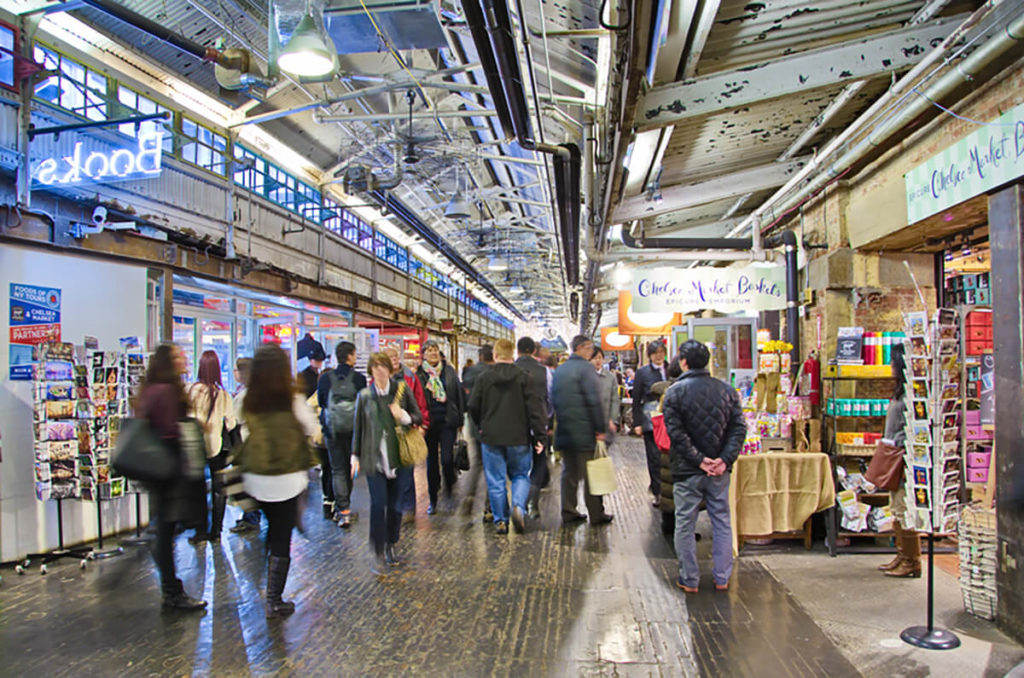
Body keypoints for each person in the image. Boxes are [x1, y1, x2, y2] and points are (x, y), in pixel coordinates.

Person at [236, 344, 316, 617]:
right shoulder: (291, 398)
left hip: (256, 476)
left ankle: (261, 570)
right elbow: (310, 426)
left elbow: (242, 426)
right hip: (287, 478)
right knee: (282, 534)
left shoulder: (249, 398)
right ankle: (273, 598)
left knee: (271, 528)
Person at [662, 340, 746, 593]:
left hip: (687, 470)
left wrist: (698, 459)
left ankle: (690, 580)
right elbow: (738, 428)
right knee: (721, 520)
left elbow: (676, 433)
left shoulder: (674, 392)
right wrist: (724, 459)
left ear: (684, 362)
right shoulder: (727, 390)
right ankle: (722, 577)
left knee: (685, 523)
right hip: (719, 471)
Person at [135, 344, 206, 610]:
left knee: (164, 528)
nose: (184, 359)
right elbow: (168, 431)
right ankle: (172, 591)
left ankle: (171, 588)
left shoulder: (151, 389)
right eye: (178, 356)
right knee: (165, 530)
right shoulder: (165, 391)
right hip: (167, 467)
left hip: (157, 469)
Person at [352, 352, 423, 574]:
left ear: (390, 370)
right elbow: (359, 427)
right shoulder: (364, 396)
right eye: (376, 367)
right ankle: (378, 548)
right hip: (375, 459)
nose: (380, 370)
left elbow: (418, 416)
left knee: (395, 505)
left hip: (400, 457)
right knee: (378, 503)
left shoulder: (401, 390)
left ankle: (392, 543)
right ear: (371, 371)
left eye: (384, 366)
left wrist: (403, 416)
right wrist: (355, 456)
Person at [469, 339, 547, 534]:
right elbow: (536, 409)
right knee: (521, 475)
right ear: (512, 355)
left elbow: (472, 406)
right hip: (519, 436)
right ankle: (519, 507)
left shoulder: (484, 378)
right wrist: (540, 436)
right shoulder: (525, 377)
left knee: (495, 480)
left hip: (491, 437)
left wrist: (481, 425)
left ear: (495, 355)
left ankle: (500, 521)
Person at [552, 335, 613, 526]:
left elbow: (553, 399)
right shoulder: (586, 369)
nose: (592, 351)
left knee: (569, 473)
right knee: (592, 473)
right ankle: (596, 514)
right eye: (589, 347)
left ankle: (568, 510)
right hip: (585, 431)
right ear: (580, 347)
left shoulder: (560, 370)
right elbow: (594, 401)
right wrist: (601, 428)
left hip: (565, 431)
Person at [877, 344, 921, 578]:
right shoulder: (900, 391)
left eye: (893, 362)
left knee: (904, 509)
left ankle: (912, 560)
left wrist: (897, 442)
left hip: (903, 457)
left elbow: (912, 424)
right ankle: (902, 555)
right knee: (896, 507)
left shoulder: (911, 393)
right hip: (893, 455)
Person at [186, 350, 237, 544]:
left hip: (196, 446)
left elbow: (188, 418)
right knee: (219, 488)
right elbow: (231, 423)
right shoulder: (222, 394)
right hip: (218, 445)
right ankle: (216, 531)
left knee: (198, 488)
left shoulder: (192, 390)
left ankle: (200, 531)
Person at [317, 341, 366, 528]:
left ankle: (342, 511)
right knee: (349, 469)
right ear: (351, 356)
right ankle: (346, 506)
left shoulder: (325, 378)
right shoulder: (359, 379)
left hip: (332, 431)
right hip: (353, 431)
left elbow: (322, 403)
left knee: (337, 469)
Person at [416, 340, 464, 513]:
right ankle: (433, 498)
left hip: (447, 421)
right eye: (429, 350)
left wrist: (460, 420)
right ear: (424, 354)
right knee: (431, 463)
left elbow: (458, 394)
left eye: (435, 350)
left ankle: (449, 487)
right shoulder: (420, 374)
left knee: (446, 458)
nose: (433, 353)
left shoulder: (449, 371)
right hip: (428, 423)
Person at [384, 346, 429, 524]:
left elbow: (419, 403)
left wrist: (421, 423)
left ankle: (408, 508)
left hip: (406, 432)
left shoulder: (409, 378)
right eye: (390, 357)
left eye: (396, 356)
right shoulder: (377, 384)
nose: (395, 359)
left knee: (407, 471)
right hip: (386, 435)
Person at [515, 336, 552, 519]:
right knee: (539, 462)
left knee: (518, 467)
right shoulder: (544, 372)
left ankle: (518, 503)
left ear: (518, 350)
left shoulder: (510, 369)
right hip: (538, 424)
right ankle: (533, 502)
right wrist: (548, 420)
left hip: (515, 426)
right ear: (534, 351)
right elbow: (550, 398)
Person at [297, 343, 333, 520]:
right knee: (331, 468)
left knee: (328, 468)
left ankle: (328, 499)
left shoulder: (312, 378)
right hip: (324, 436)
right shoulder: (308, 380)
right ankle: (331, 500)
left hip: (317, 437)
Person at [633, 341, 670, 507]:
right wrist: (637, 422)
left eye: (661, 352)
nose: (659, 356)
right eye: (655, 353)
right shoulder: (643, 373)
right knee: (654, 456)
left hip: (671, 417)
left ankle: (669, 492)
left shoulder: (671, 369)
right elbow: (636, 399)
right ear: (650, 355)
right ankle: (657, 491)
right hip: (651, 418)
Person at [460, 344, 493, 519]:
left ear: (480, 356)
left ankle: (470, 496)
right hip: (493, 425)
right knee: (493, 466)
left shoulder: (470, 372)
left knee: (478, 463)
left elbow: (466, 400)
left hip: (474, 424)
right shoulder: (494, 373)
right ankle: (489, 506)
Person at [230, 357, 261, 534]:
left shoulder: (243, 396)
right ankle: (252, 516)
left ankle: (251, 517)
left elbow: (234, 420)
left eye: (236, 370)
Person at [591, 347, 620, 441]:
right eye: (594, 358)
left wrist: (613, 419)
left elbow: (615, 399)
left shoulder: (610, 377)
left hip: (605, 421)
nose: (598, 361)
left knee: (603, 452)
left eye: (600, 357)